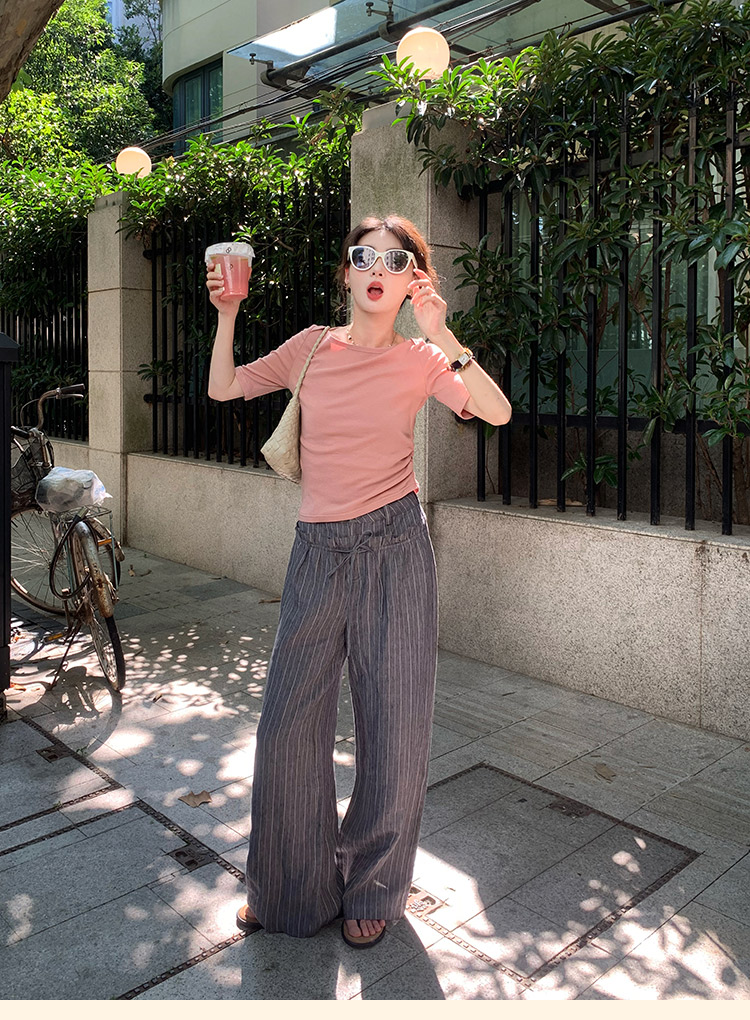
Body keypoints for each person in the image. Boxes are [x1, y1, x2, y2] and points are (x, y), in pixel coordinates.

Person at [206, 213, 511, 949]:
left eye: (397, 261)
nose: (379, 269)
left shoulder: (422, 358)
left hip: (395, 547)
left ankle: (373, 886)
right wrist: (228, 313)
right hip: (318, 550)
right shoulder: (311, 347)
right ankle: (289, 884)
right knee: (286, 724)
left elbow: (496, 411)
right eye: (364, 257)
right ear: (346, 273)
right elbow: (223, 388)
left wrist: (445, 334)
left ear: (413, 282)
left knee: (395, 725)